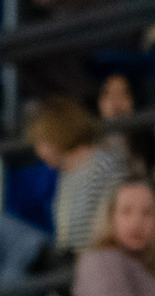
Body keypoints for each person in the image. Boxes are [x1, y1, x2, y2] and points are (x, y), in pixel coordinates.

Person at [25, 96, 125, 256]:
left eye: (40, 141)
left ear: (57, 133)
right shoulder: (65, 175)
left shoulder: (103, 166)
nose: (38, 151)